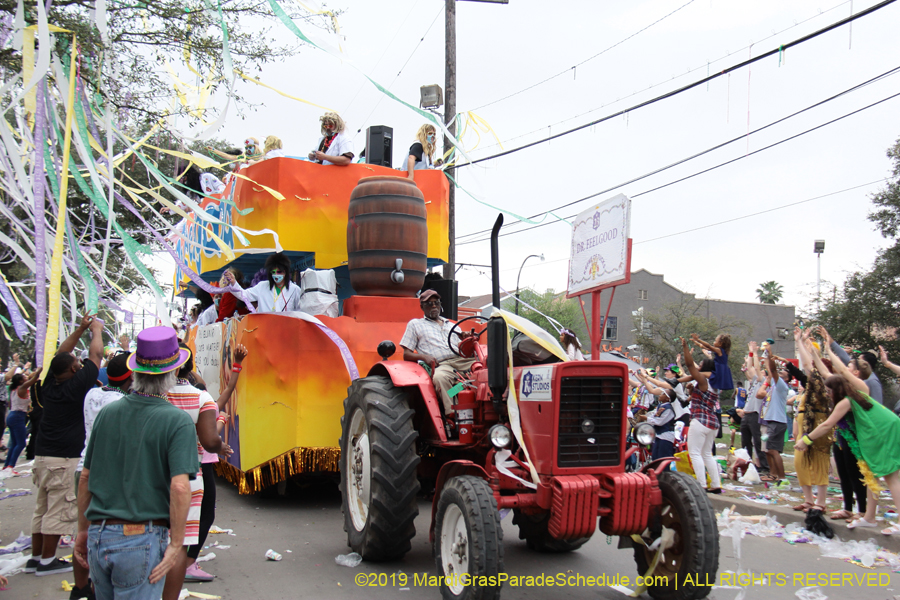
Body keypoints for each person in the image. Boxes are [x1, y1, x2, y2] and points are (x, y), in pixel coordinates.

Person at [74, 326, 200, 599]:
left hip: (99, 534)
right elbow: (180, 488)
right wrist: (176, 545)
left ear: (135, 373)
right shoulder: (176, 421)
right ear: (174, 372)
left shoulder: (107, 413)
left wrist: (82, 531)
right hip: (140, 538)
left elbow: (85, 477)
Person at [25, 314, 103, 581]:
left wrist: (80, 327)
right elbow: (96, 355)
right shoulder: (77, 385)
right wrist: (96, 330)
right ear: (72, 370)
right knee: (58, 511)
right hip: (63, 457)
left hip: (43, 455)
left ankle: (35, 557)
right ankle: (47, 561)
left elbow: (61, 353)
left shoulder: (50, 384)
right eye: (77, 364)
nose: (80, 364)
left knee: (42, 507)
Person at [798, 339, 900, 534]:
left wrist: (806, 440)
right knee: (872, 475)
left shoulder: (847, 400)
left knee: (891, 477)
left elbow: (828, 424)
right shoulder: (844, 390)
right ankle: (869, 518)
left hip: (884, 431)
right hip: (875, 433)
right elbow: (827, 374)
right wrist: (816, 355)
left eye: (828, 391)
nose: (827, 394)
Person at [183, 344, 247, 584]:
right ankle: (188, 562)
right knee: (203, 516)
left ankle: (177, 559)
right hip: (200, 466)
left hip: (174, 466)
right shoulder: (203, 402)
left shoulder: (164, 396)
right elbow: (209, 439)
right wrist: (220, 423)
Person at [400, 290, 476, 420]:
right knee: (440, 378)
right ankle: (453, 414)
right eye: (429, 303)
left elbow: (465, 350)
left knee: (487, 371)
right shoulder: (415, 324)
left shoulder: (452, 326)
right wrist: (424, 357)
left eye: (436, 303)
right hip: (443, 365)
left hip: (462, 361)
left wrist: (466, 339)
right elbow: (406, 354)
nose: (434, 306)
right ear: (422, 307)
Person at [680, 337, 721, 493]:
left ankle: (702, 484)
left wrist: (685, 347)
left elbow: (690, 365)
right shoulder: (715, 385)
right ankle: (716, 485)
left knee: (694, 453)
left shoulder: (703, 380)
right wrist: (692, 390)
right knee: (706, 454)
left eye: (701, 365)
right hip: (713, 422)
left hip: (700, 420)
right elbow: (701, 398)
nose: (699, 367)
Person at [817, 325, 883, 404]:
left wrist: (828, 350)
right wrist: (828, 339)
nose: (854, 361)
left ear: (865, 364)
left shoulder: (872, 381)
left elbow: (877, 404)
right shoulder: (858, 374)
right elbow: (844, 357)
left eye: (859, 360)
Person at [759, 351, 790, 484]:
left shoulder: (781, 386)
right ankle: (779, 477)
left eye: (782, 374)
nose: (779, 374)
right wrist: (766, 356)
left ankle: (782, 478)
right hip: (775, 422)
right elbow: (770, 371)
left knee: (772, 450)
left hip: (776, 422)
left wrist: (771, 357)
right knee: (771, 450)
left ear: (786, 379)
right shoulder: (775, 387)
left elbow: (772, 370)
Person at [237, 253, 302, 313]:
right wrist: (233, 284)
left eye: (279, 272)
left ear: (285, 272)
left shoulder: (295, 289)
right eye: (273, 272)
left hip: (287, 325)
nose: (276, 275)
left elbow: (300, 311)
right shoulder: (262, 286)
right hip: (265, 324)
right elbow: (244, 295)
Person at [3, 370, 37, 473]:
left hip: (12, 415)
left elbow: (9, 404)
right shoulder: (22, 388)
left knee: (14, 443)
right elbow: (33, 379)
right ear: (20, 381)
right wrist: (40, 368)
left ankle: (7, 465)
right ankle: (10, 466)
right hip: (18, 416)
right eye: (24, 378)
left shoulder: (13, 390)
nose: (26, 378)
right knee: (21, 443)